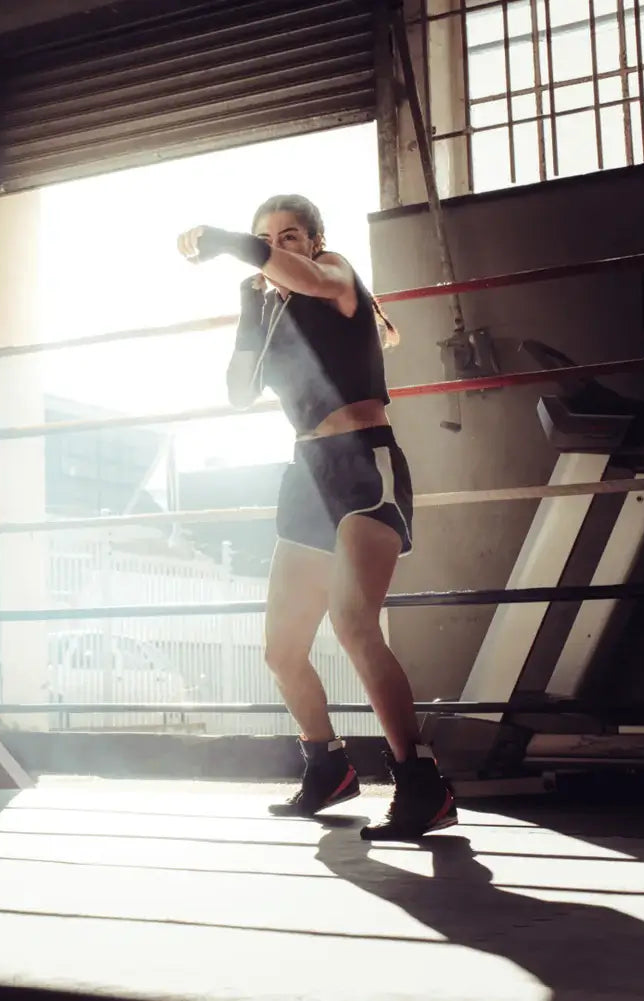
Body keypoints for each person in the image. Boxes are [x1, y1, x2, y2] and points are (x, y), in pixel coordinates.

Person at [176, 194, 456, 841]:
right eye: (268, 237)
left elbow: (297, 273)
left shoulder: (335, 276)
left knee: (354, 622)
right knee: (280, 649)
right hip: (307, 477)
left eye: (291, 234)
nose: (281, 244)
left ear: (314, 240)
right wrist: (249, 309)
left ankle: (422, 783)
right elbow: (239, 391)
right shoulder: (271, 309)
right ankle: (326, 766)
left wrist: (226, 240)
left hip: (362, 461)